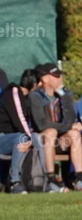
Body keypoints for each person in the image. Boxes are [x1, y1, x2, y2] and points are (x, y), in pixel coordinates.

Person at [28, 63, 82, 193]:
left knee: (74, 134)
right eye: (56, 76)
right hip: (39, 140)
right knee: (51, 132)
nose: (60, 79)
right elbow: (41, 124)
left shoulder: (65, 93)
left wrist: (64, 97)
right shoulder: (35, 95)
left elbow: (70, 118)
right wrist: (67, 126)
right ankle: (51, 179)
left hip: (60, 140)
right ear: (45, 78)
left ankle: (79, 178)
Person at [0, 68, 38, 194]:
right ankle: (14, 182)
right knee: (21, 138)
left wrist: (32, 138)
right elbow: (20, 119)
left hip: (17, 138)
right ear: (34, 84)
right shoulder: (14, 92)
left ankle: (42, 181)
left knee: (38, 138)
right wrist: (29, 138)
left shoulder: (29, 98)